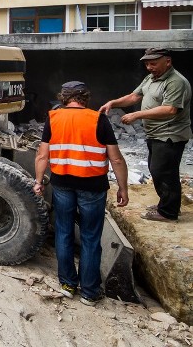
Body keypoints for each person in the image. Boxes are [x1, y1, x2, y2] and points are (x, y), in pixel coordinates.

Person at [34, 80, 129, 307]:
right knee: (90, 238)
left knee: (64, 234)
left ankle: (67, 285)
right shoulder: (98, 119)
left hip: (62, 184)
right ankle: (89, 292)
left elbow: (42, 155)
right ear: (85, 97)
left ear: (64, 97)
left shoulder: (53, 118)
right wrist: (123, 187)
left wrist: (38, 182)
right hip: (93, 187)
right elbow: (115, 158)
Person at [99, 48, 191, 222]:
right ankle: (167, 204)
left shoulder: (175, 82)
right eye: (147, 63)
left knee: (164, 172)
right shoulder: (151, 78)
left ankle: (168, 213)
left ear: (168, 61)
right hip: (156, 133)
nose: (149, 67)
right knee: (157, 170)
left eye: (154, 63)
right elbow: (134, 97)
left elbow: (170, 109)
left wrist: (136, 115)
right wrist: (113, 103)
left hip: (170, 134)